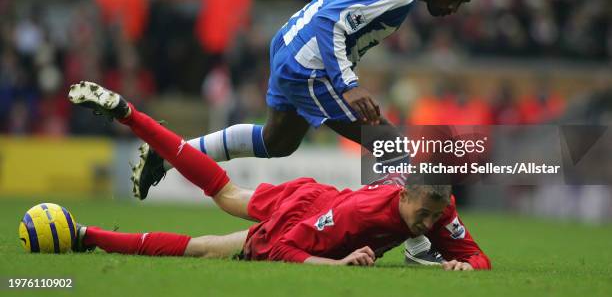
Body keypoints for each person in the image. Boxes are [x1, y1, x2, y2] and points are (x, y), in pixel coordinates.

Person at [133, 0, 480, 200]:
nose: (452, 7)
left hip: (288, 43)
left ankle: (167, 156)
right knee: (390, 146)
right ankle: (417, 245)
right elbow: (332, 20)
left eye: (460, 3)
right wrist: (348, 85)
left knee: (277, 142)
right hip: (309, 66)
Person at [67, 81, 490, 270]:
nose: (433, 224)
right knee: (206, 246)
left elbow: (477, 255)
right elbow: (289, 246)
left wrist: (467, 267)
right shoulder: (363, 214)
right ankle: (87, 233)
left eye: (435, 218)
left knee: (227, 193)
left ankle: (129, 117)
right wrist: (336, 265)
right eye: (426, 217)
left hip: (317, 197)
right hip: (311, 217)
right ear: (403, 198)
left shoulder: (436, 202)